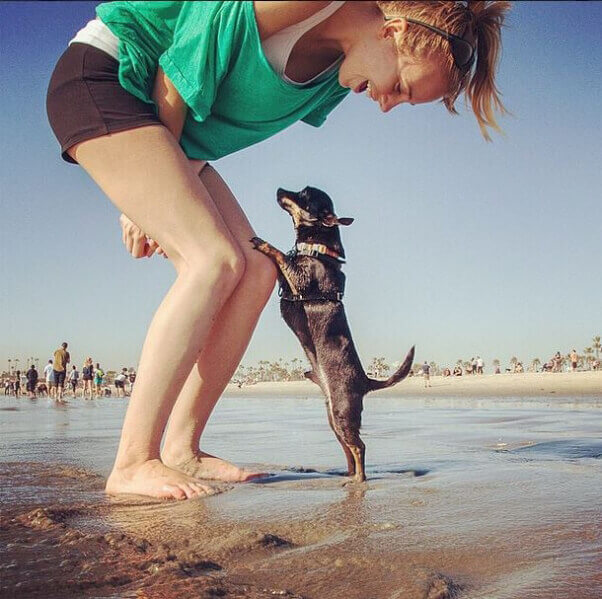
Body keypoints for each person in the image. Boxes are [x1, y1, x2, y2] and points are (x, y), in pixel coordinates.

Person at [46, 1, 510, 500]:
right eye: (400, 86)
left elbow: (216, 127)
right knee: (213, 260)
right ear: (393, 31)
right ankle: (134, 461)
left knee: (257, 272)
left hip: (169, 133)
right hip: (111, 74)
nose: (386, 104)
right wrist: (144, 198)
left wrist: (162, 179)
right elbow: (185, 58)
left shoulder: (333, 84)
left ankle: (182, 447)